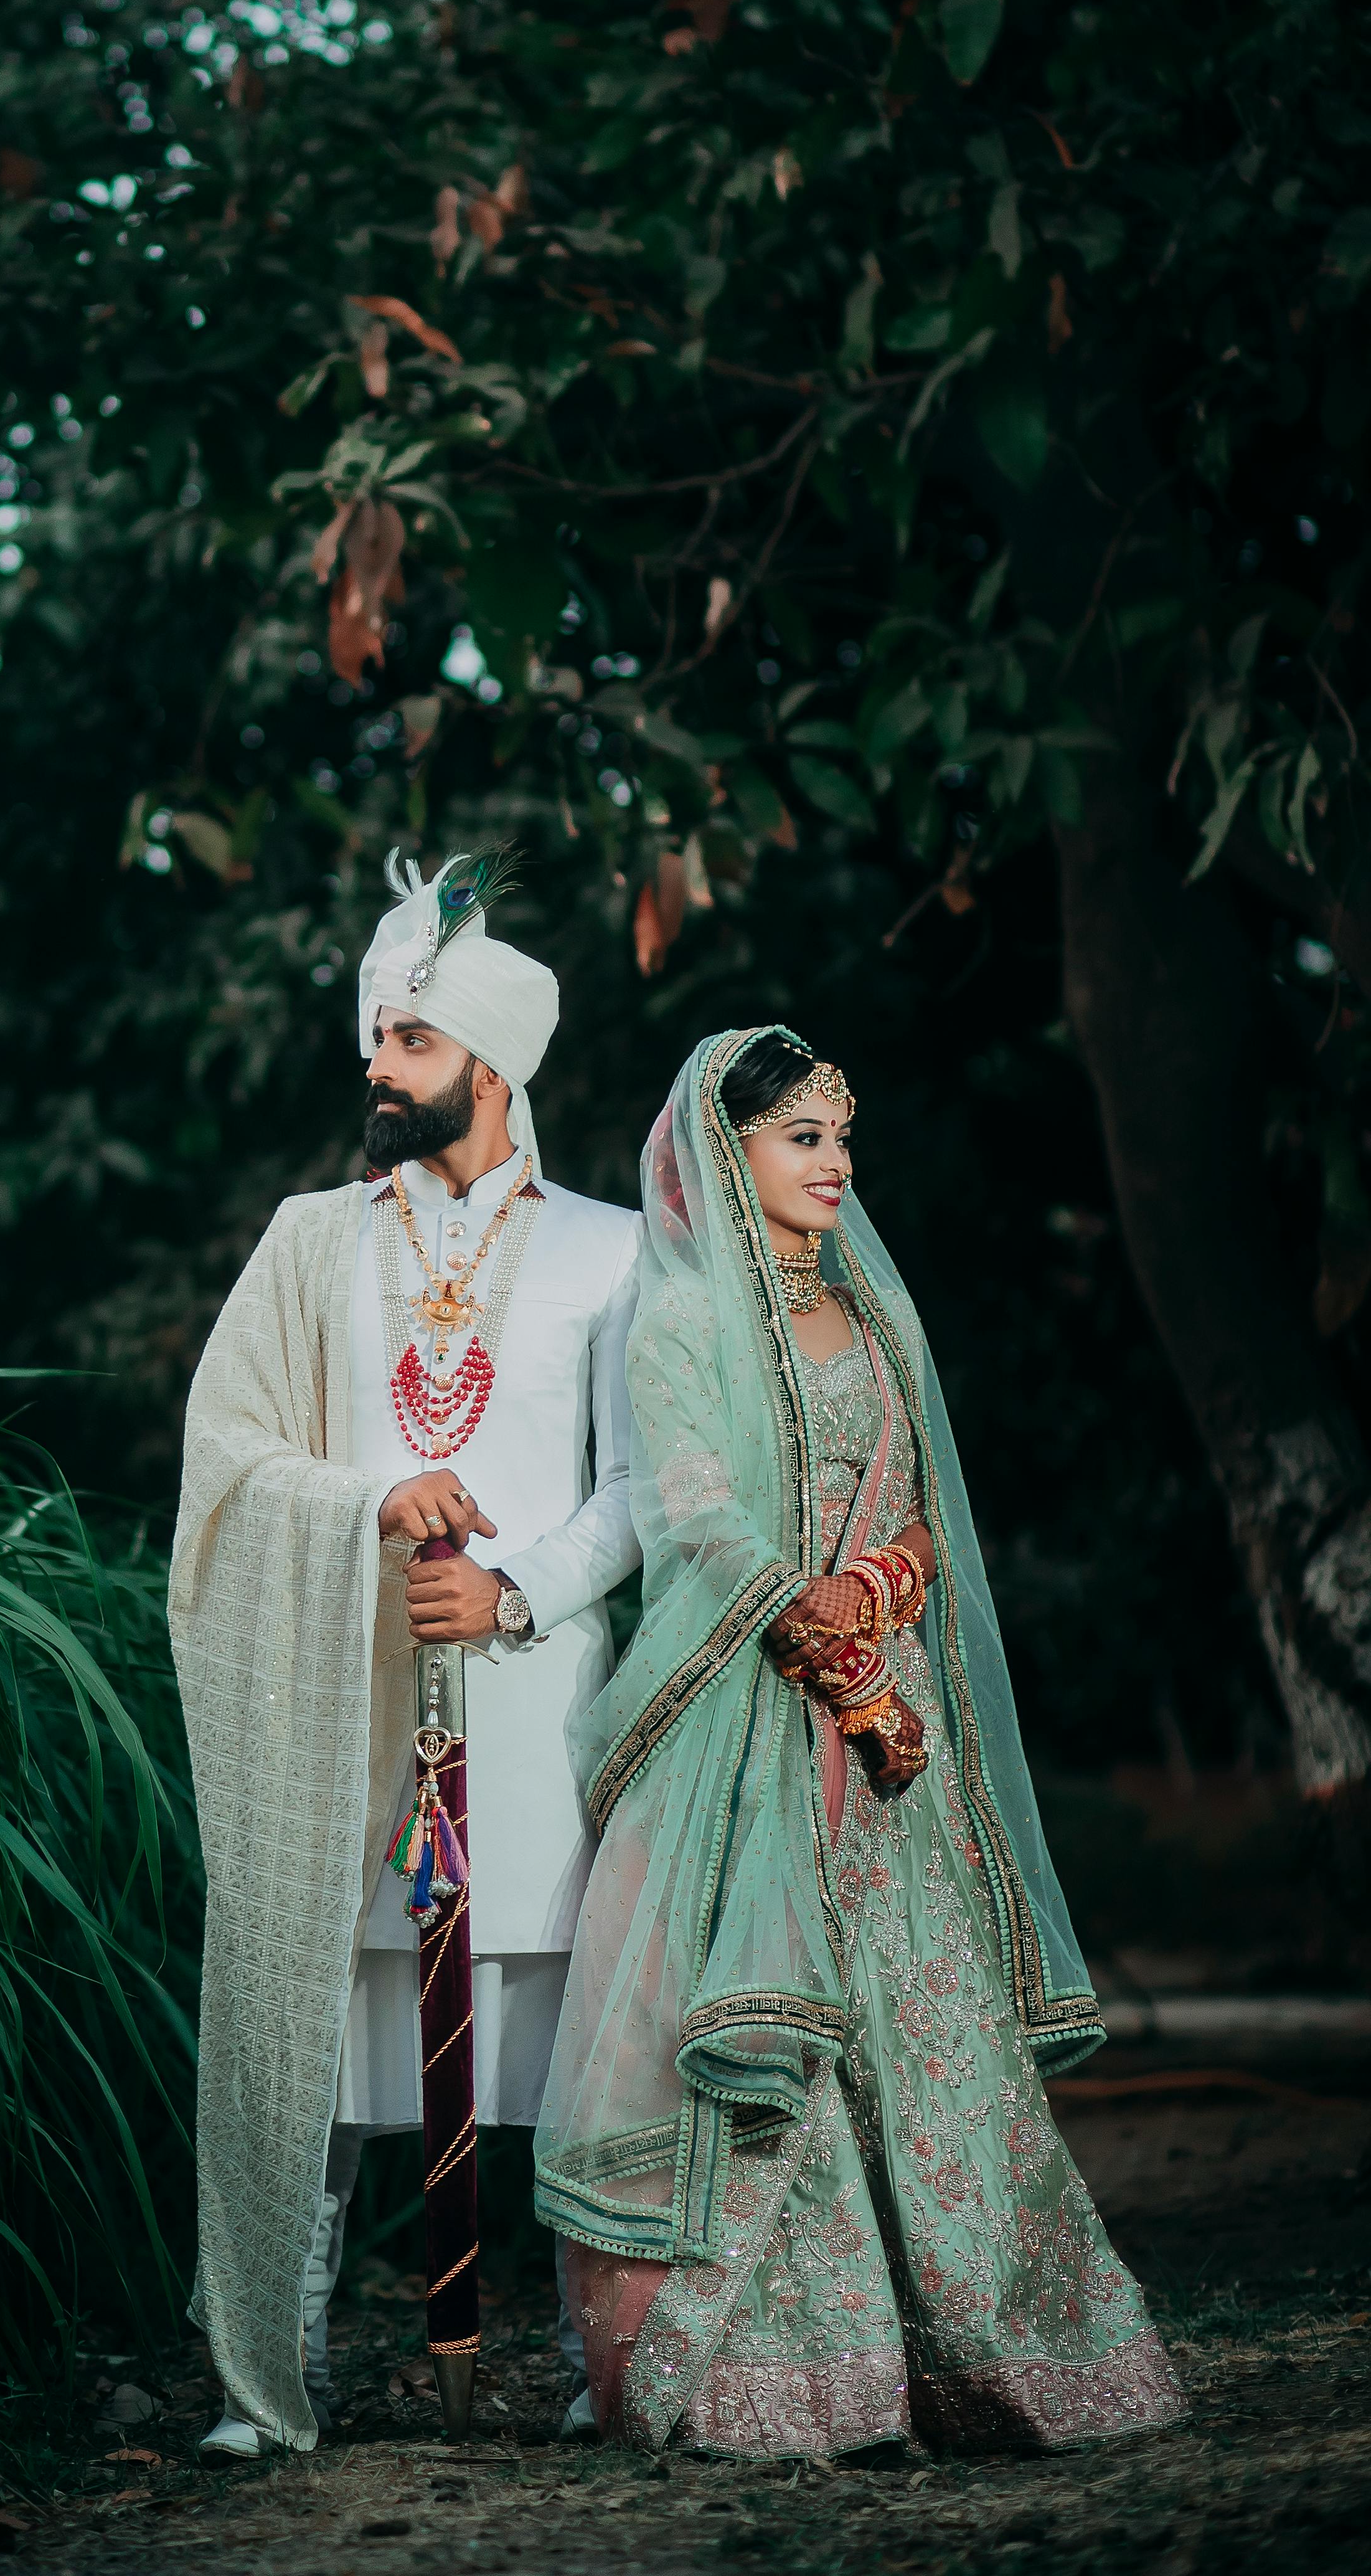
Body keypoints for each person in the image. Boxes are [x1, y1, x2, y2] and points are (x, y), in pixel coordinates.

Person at [534, 1026, 1186, 2458]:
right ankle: (787, 2386)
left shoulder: (880, 1321)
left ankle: (993, 2357)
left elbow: (924, 1519)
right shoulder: (683, 1315)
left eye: (841, 1139)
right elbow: (694, 1515)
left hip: (885, 1741)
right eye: (803, 1140)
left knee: (932, 2034)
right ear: (729, 1149)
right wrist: (813, 1632)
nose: (834, 1166)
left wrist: (871, 1605)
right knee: (767, 2041)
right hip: (748, 1723)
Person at [169, 852, 644, 2455]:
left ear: (491, 1068)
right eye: (376, 1038)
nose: (377, 1068)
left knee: (575, 2055)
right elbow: (227, 1448)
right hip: (346, 1704)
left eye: (410, 1044)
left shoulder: (614, 1249)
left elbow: (649, 1490)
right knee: (319, 2034)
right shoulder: (310, 1240)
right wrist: (374, 1500)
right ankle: (274, 2368)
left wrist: (510, 1590)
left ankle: (609, 2365)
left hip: (537, 1718)